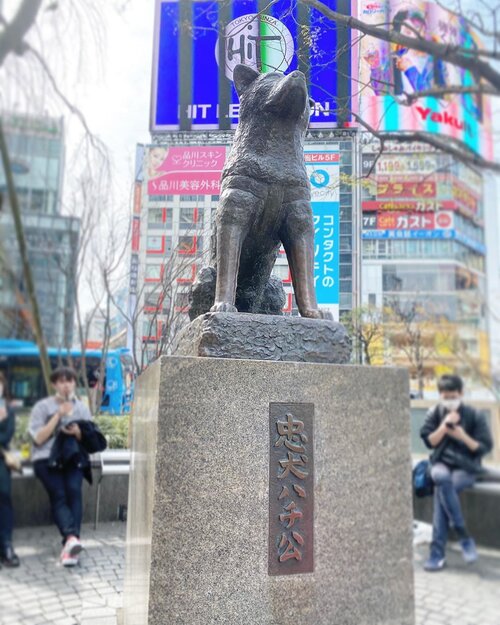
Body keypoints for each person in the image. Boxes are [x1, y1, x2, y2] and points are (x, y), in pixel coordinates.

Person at [420, 374, 493, 572]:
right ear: (440, 395)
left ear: (460, 393)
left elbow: (483, 447)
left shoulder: (474, 415)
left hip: (466, 467)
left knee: (442, 490)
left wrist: (462, 436)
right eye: (445, 396)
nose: (449, 400)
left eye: (453, 396)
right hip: (440, 464)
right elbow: (429, 441)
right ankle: (463, 537)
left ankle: (437, 555)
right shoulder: (435, 412)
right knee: (442, 478)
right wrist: (443, 427)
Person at [29, 367, 92, 567]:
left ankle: (70, 545)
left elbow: (90, 439)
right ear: (54, 384)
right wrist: (58, 416)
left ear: (74, 383)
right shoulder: (42, 407)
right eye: (61, 381)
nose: (66, 385)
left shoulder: (82, 408)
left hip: (72, 458)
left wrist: (78, 434)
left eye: (70, 380)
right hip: (46, 458)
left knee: (74, 490)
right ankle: (72, 541)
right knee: (59, 494)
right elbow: (38, 438)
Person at [0, 371, 20, 568]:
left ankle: (6, 545)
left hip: (1, 461)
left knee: (4, 497)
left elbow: (6, 438)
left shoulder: (8, 410)